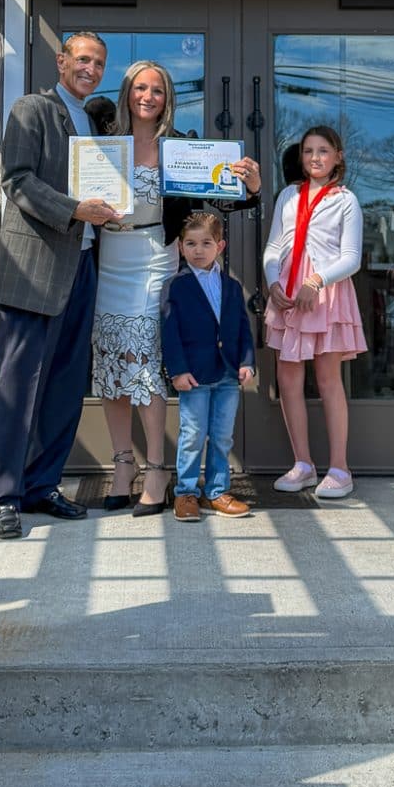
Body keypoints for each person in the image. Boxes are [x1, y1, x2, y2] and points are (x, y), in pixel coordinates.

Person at [91, 60, 261, 516]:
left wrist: (250, 188)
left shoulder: (181, 147)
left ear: (168, 98)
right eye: (140, 88)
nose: (148, 96)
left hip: (153, 257)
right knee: (112, 367)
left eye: (159, 90)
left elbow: (220, 195)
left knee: (145, 362)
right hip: (108, 257)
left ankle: (159, 471)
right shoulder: (104, 143)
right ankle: (122, 464)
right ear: (128, 92)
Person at [0, 31, 121, 540]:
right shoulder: (31, 110)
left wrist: (109, 212)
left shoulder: (96, 121)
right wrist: (74, 210)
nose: (90, 68)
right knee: (16, 387)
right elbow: (16, 179)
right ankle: (3, 497)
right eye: (82, 59)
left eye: (99, 62)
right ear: (62, 61)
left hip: (82, 265)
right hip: (35, 267)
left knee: (63, 385)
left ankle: (42, 485)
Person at [263, 125, 366, 500]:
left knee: (327, 381)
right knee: (288, 380)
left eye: (323, 150)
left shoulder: (345, 200)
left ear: (338, 156)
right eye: (308, 151)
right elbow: (275, 245)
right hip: (288, 296)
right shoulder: (288, 195)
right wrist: (273, 281)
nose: (315, 158)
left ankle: (340, 468)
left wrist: (316, 281)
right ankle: (302, 464)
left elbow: (351, 259)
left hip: (325, 297)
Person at [161, 212, 255, 522]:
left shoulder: (230, 286)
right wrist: (176, 370)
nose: (198, 250)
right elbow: (169, 331)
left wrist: (247, 362)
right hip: (194, 375)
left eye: (206, 243)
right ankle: (186, 493)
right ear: (180, 246)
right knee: (192, 433)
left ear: (221, 246)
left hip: (228, 374)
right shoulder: (175, 285)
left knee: (222, 434)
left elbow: (242, 326)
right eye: (190, 243)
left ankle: (217, 491)